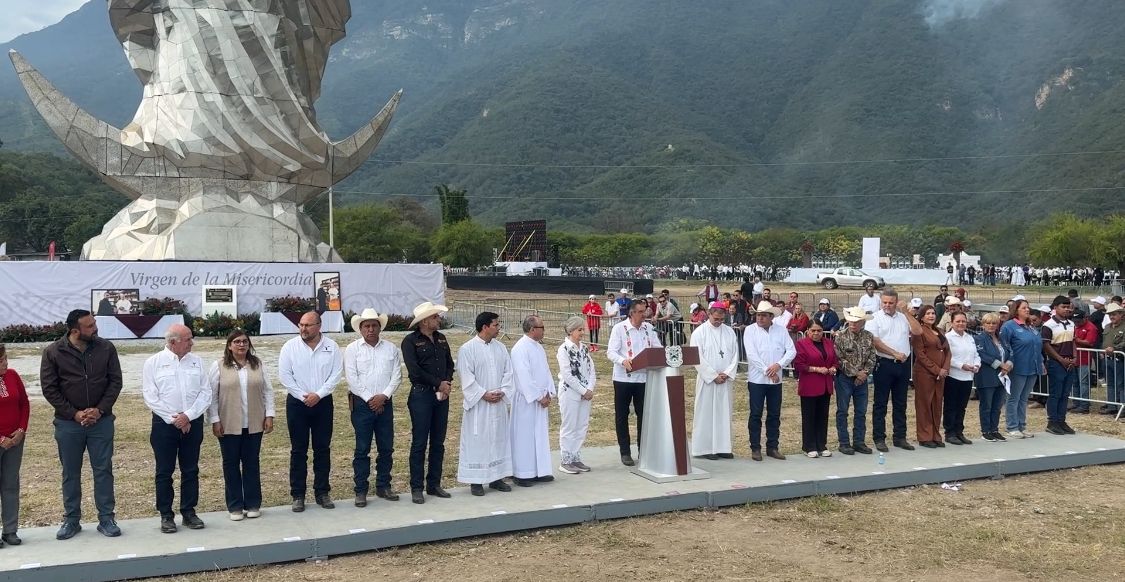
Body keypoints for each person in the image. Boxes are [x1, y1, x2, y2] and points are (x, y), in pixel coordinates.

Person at [40, 309, 123, 540]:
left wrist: (99, 410)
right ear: (74, 330)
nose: (95, 329)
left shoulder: (106, 348)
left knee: (103, 471)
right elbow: (50, 389)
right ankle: (71, 520)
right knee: (70, 473)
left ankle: (106, 518)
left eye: (94, 324)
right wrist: (74, 414)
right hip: (68, 425)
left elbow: (115, 382)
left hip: (102, 422)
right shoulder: (53, 352)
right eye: (89, 326)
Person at [142, 324, 212, 533]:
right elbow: (150, 396)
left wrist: (188, 416)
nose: (192, 343)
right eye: (188, 339)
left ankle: (189, 512)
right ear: (173, 342)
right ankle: (166, 515)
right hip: (165, 424)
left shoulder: (197, 362)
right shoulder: (153, 363)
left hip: (192, 423)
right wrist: (175, 419)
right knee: (164, 471)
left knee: (190, 469)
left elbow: (205, 393)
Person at [279, 311, 343, 511]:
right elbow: (285, 376)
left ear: (319, 326)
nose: (303, 329)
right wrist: (303, 396)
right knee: (298, 450)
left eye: (308, 325)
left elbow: (335, 374)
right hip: (298, 403)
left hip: (323, 403)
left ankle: (322, 492)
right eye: (301, 325)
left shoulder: (331, 347)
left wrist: (319, 394)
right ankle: (298, 494)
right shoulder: (290, 347)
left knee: (322, 449)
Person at [208, 330, 275, 521]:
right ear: (229, 345)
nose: (241, 345)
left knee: (251, 463)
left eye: (245, 341)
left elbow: (268, 391)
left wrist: (269, 415)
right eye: (236, 342)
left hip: (254, 422)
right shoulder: (219, 366)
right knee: (231, 465)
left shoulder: (258, 364)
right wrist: (215, 420)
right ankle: (235, 505)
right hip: (228, 423)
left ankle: (253, 503)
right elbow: (212, 395)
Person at [344, 309, 402, 507]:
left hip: (385, 403)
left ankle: (383, 485)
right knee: (362, 449)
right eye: (366, 326)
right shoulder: (352, 350)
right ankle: (360, 490)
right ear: (360, 329)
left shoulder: (391, 348)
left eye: (374, 325)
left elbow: (397, 376)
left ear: (380, 327)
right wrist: (371, 399)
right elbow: (352, 379)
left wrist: (383, 396)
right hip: (362, 404)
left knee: (386, 447)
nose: (370, 329)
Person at [401, 302, 454, 504]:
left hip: (442, 395)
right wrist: (438, 383)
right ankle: (417, 487)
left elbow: (449, 363)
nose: (438, 320)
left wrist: (447, 382)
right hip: (422, 395)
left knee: (438, 442)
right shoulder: (410, 341)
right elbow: (414, 372)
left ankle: (434, 483)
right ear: (425, 321)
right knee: (419, 443)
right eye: (435, 317)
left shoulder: (441, 338)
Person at [457, 312, 515, 496]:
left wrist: (502, 391)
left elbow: (509, 372)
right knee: (478, 440)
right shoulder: (467, 349)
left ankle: (497, 477)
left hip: (497, 403)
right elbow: (466, 377)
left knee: (498, 438)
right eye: (496, 325)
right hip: (479, 406)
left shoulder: (501, 348)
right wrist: (483, 394)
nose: (499, 328)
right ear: (485, 327)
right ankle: (476, 480)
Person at [606, 300, 662, 466]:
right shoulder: (619, 328)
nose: (644, 315)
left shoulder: (649, 328)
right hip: (623, 378)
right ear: (631, 313)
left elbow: (657, 347)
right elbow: (611, 352)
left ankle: (643, 450)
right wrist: (623, 361)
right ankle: (625, 452)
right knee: (622, 416)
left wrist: (662, 354)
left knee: (644, 415)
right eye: (640, 312)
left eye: (645, 312)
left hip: (644, 378)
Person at [743, 300, 796, 461]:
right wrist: (769, 371)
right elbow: (752, 355)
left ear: (771, 316)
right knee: (756, 414)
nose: (759, 318)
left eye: (763, 316)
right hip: (757, 380)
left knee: (774, 414)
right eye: (758, 315)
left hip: (775, 381)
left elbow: (791, 350)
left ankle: (772, 446)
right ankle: (755, 447)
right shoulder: (750, 331)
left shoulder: (780, 330)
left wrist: (778, 365)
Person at [509, 315, 556, 486]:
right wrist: (537, 396)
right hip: (527, 401)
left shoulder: (538, 348)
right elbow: (523, 376)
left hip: (541, 399)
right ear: (532, 330)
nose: (544, 330)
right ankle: (522, 473)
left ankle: (539, 470)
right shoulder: (520, 349)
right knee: (525, 437)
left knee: (539, 436)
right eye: (541, 327)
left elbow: (545, 370)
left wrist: (549, 391)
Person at [689, 302, 739, 460]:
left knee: (724, 413)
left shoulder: (729, 332)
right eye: (716, 318)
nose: (718, 322)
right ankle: (705, 448)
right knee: (706, 414)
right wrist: (712, 375)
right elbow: (696, 357)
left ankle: (722, 447)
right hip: (707, 381)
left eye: (721, 319)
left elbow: (735, 355)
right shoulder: (699, 332)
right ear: (709, 314)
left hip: (724, 380)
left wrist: (726, 373)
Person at [868, 290, 917, 452]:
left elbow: (918, 332)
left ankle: (900, 437)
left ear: (897, 302)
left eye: (891, 302)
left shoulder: (903, 317)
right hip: (884, 363)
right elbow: (875, 341)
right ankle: (879, 438)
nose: (887, 305)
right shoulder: (875, 318)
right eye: (885, 302)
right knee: (881, 403)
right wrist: (894, 353)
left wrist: (907, 313)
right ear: (881, 302)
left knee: (900, 403)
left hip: (903, 365)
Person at [833, 307, 877, 455]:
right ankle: (844, 442)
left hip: (862, 379)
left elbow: (872, 356)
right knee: (843, 411)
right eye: (851, 321)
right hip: (844, 378)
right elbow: (839, 359)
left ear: (862, 322)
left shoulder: (869, 336)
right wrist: (856, 373)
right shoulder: (840, 337)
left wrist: (864, 373)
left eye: (856, 322)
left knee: (860, 412)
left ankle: (859, 442)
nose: (853, 324)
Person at [556, 316, 596, 474]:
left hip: (585, 393)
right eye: (580, 330)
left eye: (583, 329)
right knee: (569, 426)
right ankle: (565, 460)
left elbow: (591, 369)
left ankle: (575, 456)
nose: (582, 332)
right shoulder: (563, 349)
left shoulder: (584, 348)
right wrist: (582, 390)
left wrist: (590, 388)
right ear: (571, 331)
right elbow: (567, 374)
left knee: (581, 425)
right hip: (570, 393)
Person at [793, 321, 837, 458]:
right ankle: (809, 446)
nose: (816, 333)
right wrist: (816, 369)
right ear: (808, 331)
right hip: (810, 385)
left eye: (819, 330)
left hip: (825, 385)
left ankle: (821, 445)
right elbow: (799, 365)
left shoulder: (829, 343)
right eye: (813, 330)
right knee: (809, 416)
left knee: (823, 416)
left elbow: (835, 359)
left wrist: (834, 367)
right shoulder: (801, 344)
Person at [1000, 300, 1042, 439]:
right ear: (1016, 310)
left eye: (1028, 307)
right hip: (1017, 367)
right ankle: (1012, 426)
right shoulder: (1009, 326)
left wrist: (1040, 363)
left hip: (1032, 366)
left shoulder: (1031, 327)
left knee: (1023, 398)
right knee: (1013, 398)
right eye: (1024, 308)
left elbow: (1037, 346)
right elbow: (1005, 346)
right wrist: (1007, 363)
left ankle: (1021, 425)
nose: (1027, 310)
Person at [0, 344, 29, 546]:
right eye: (1, 360)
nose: (6, 363)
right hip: (1, 439)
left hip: (15, 440)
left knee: (11, 485)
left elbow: (24, 403)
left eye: (6, 358)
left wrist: (21, 430)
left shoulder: (12, 375)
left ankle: (10, 530)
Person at [910, 305, 949, 448]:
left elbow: (947, 351)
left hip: (940, 375)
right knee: (924, 404)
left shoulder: (939, 331)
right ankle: (925, 436)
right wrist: (936, 370)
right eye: (928, 314)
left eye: (933, 313)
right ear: (921, 316)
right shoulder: (919, 331)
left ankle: (935, 435)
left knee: (937, 404)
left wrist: (944, 368)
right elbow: (920, 355)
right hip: (924, 374)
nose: (931, 316)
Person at [1041, 296, 1077, 435]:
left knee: (1065, 393)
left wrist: (1074, 356)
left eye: (1068, 307)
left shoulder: (1071, 324)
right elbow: (1046, 345)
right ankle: (1052, 421)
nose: (1067, 309)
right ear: (1055, 308)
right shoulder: (1048, 325)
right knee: (1055, 393)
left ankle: (1061, 420)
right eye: (1064, 307)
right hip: (1056, 362)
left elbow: (1073, 341)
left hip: (1069, 362)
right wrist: (1060, 359)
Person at [974, 313, 1011, 442]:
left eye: (994, 323)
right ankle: (986, 431)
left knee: (997, 406)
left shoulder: (1001, 339)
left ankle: (994, 429)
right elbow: (983, 356)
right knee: (987, 405)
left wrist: (1008, 364)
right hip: (986, 377)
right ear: (983, 324)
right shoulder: (979, 339)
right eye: (988, 323)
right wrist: (1000, 364)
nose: (991, 325)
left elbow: (1010, 352)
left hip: (1002, 377)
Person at [944, 313, 979, 445]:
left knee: (961, 407)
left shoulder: (969, 337)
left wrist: (976, 364)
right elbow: (947, 357)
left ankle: (959, 431)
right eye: (958, 321)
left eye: (963, 321)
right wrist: (961, 365)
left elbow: (975, 354)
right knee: (951, 406)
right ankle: (950, 432)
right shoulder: (948, 338)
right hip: (953, 376)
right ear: (952, 322)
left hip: (967, 377)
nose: (961, 324)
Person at [1101, 303, 1125, 414]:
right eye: (1110, 314)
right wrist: (1103, 350)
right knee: (1110, 383)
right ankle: (1112, 406)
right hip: (1107, 359)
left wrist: (1115, 348)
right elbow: (1104, 341)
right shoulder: (1107, 327)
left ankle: (1122, 408)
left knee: (1121, 384)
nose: (1111, 317)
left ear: (1121, 314)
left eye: (1114, 314)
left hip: (1120, 359)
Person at [1072, 311, 1097, 415]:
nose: (1076, 323)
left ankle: (1084, 405)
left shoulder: (1091, 327)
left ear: (1084, 318)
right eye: (1075, 321)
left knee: (1084, 383)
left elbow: (1089, 342)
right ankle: (1076, 403)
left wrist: (1076, 340)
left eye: (1078, 321)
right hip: (1074, 358)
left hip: (1084, 359)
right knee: (1075, 382)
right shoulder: (1075, 326)